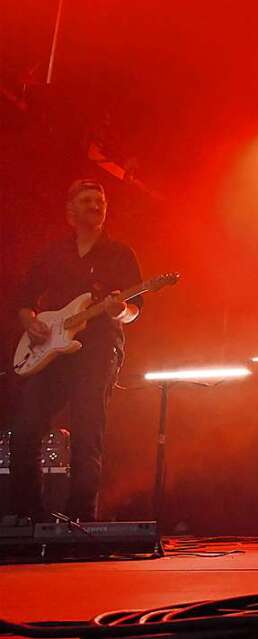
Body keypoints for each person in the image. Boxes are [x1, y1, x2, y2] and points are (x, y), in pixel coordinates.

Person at [9, 179, 142, 522]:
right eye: (87, 201)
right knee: (25, 428)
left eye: (100, 201)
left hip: (96, 351)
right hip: (51, 351)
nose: (96, 206)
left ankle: (79, 519)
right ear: (70, 212)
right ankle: (29, 517)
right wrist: (30, 321)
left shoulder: (120, 254)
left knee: (87, 432)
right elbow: (24, 297)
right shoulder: (54, 253)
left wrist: (119, 310)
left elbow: (134, 308)